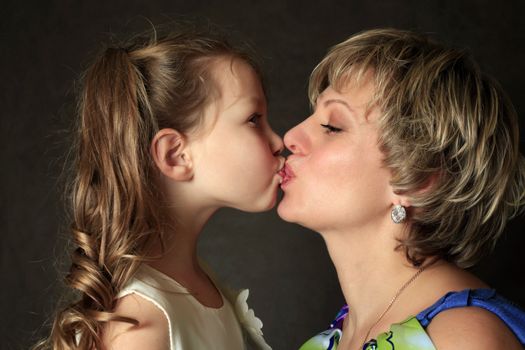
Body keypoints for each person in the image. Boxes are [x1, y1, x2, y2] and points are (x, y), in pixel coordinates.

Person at [35, 25, 282, 350]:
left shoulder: (199, 284)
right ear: (175, 155)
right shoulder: (140, 328)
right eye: (253, 119)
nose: (279, 141)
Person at [277, 28, 525, 349]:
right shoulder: (329, 341)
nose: (291, 136)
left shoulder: (460, 339)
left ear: (419, 180)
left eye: (332, 126)